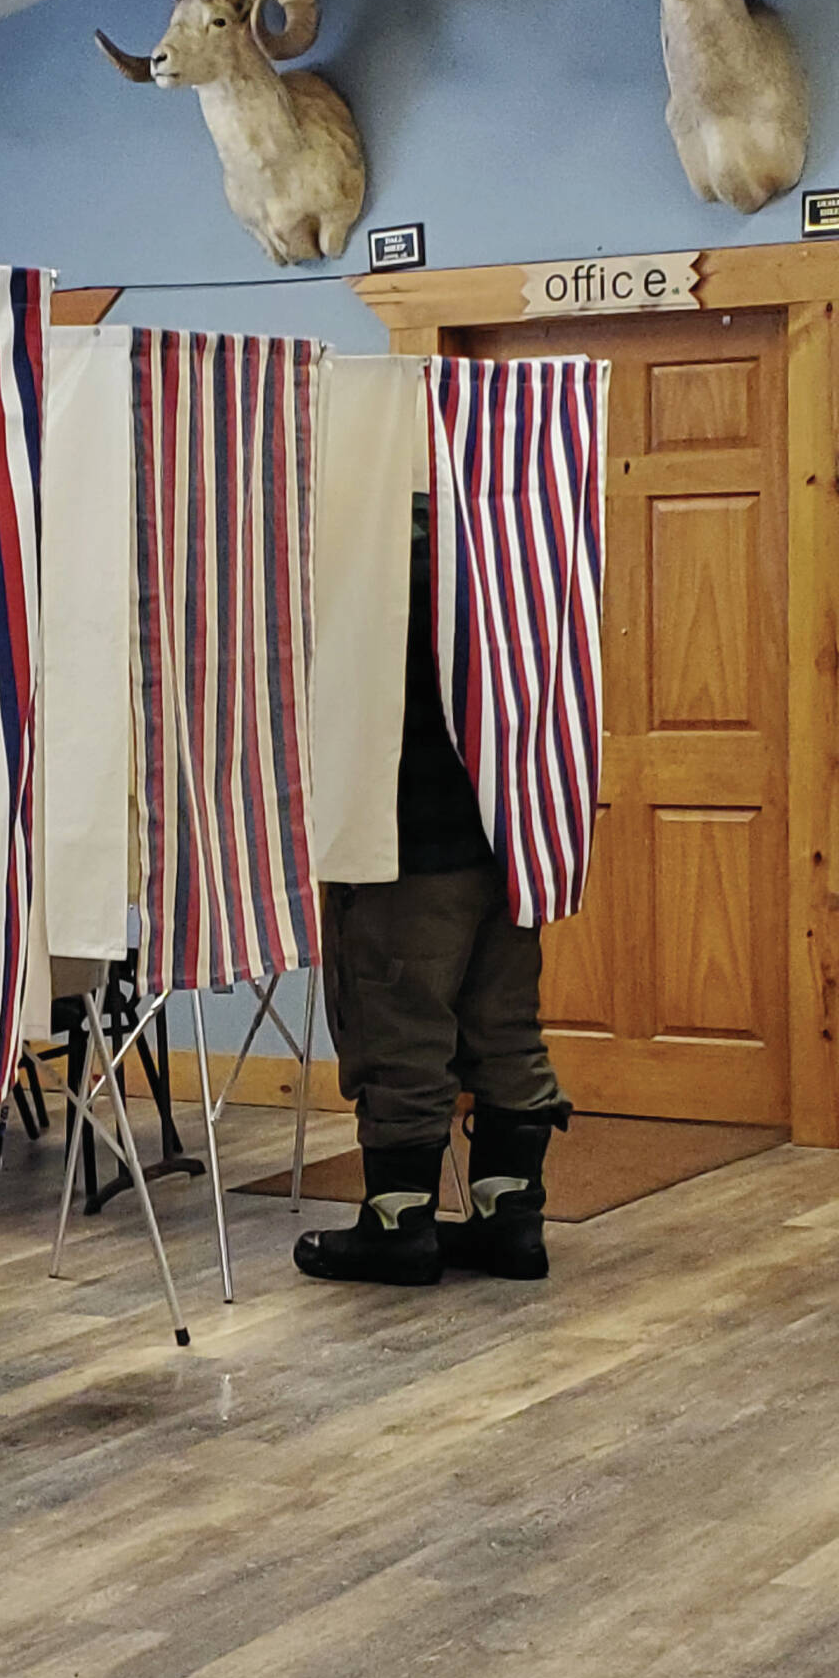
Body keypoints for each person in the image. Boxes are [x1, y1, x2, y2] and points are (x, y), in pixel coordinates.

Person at [294, 492, 570, 1287]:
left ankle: (398, 1226)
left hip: (403, 847)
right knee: (506, 1028)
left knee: (401, 1035)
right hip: (508, 835)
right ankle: (510, 1221)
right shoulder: (504, 550)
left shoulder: (358, 563)